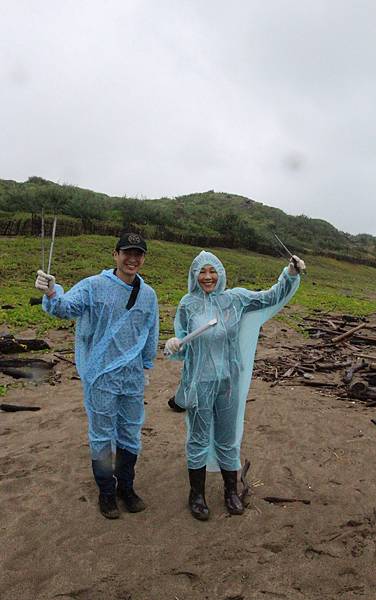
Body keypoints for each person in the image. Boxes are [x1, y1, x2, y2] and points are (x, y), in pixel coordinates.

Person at [164, 250, 305, 521]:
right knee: (198, 438)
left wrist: (290, 274)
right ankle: (197, 494)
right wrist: (173, 345)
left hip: (228, 382)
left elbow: (270, 297)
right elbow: (181, 347)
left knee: (228, 438)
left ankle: (230, 490)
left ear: (221, 273)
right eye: (202, 272)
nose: (207, 277)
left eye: (212, 271)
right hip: (199, 383)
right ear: (194, 275)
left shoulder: (235, 299)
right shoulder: (187, 304)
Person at [35, 233, 159, 519]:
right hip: (100, 376)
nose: (132, 258)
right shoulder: (93, 286)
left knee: (130, 432)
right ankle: (106, 491)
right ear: (115, 254)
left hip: (131, 378)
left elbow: (150, 331)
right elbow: (65, 309)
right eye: (127, 252)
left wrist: (147, 367)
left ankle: (126, 487)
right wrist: (52, 292)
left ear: (143, 258)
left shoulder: (148, 295)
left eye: (138, 253)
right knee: (102, 435)